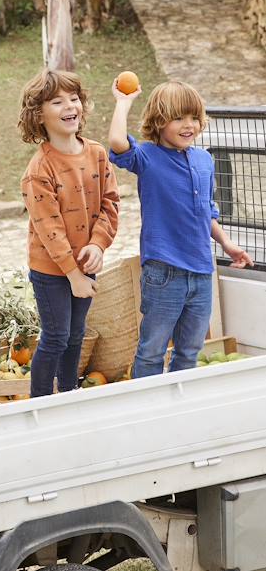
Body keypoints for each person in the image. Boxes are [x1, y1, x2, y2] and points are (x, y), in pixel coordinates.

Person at [108, 79, 254, 379]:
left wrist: (227, 244)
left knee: (189, 352)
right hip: (164, 273)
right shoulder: (147, 158)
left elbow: (206, 212)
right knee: (151, 352)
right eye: (178, 118)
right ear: (159, 122)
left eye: (194, 118)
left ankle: (178, 412)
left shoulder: (204, 160)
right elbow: (118, 144)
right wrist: (123, 102)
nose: (189, 125)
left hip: (201, 273)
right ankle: (146, 412)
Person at [18, 68, 120, 397]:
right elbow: (49, 230)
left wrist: (98, 245)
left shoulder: (97, 154)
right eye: (57, 101)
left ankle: (69, 393)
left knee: (77, 336)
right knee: (57, 337)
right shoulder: (39, 169)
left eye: (74, 99)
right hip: (51, 270)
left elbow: (110, 204)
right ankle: (39, 403)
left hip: (86, 264)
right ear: (39, 115)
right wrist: (73, 274)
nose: (69, 106)